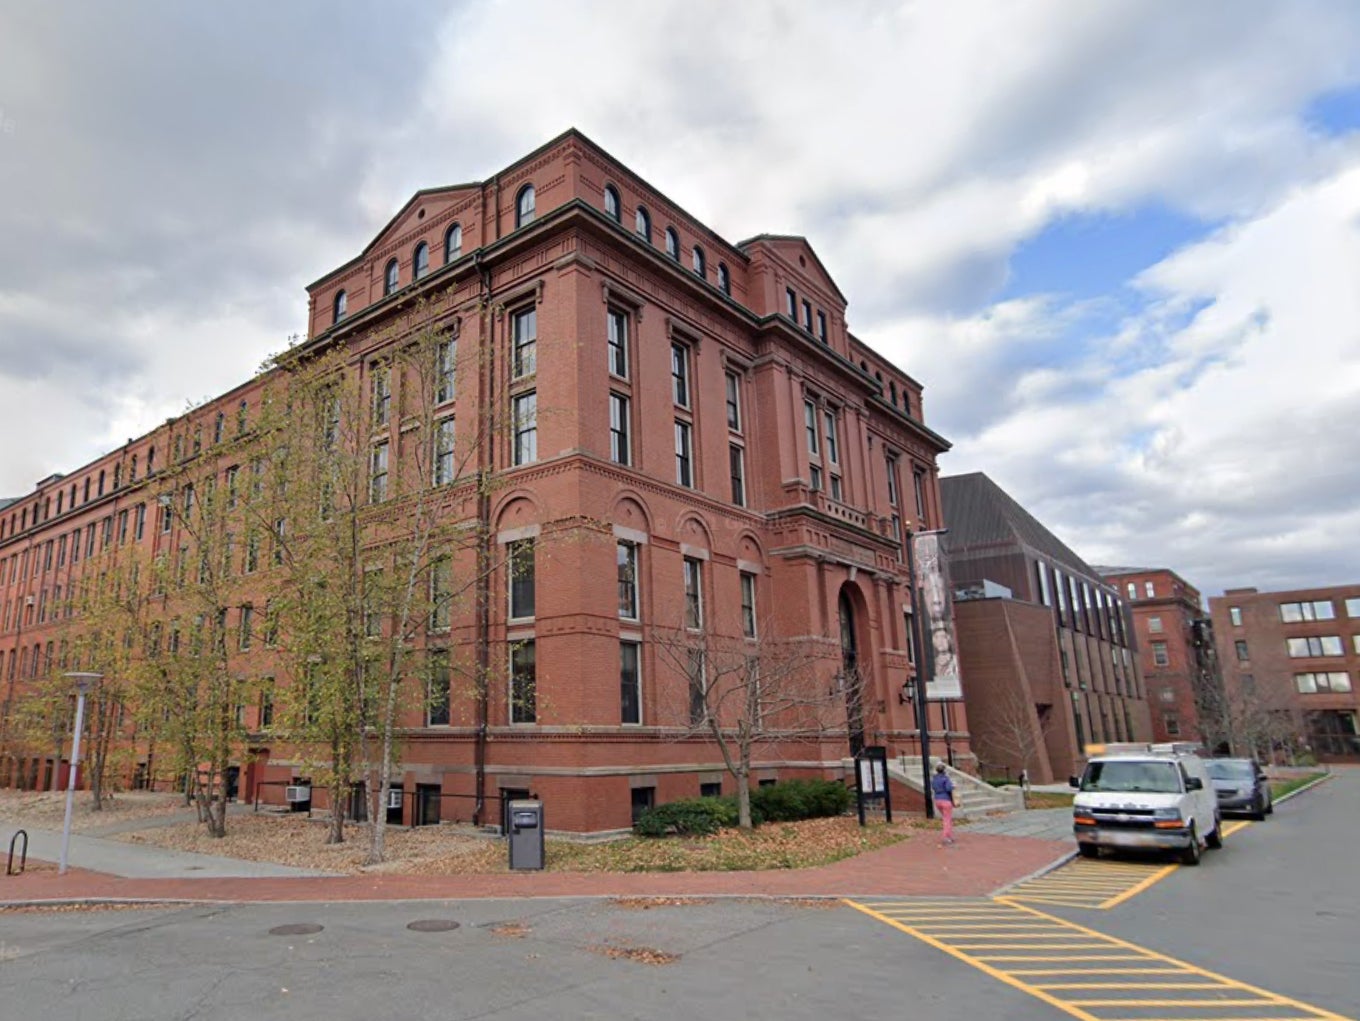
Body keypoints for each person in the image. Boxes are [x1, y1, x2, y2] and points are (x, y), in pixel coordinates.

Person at [931, 762, 956, 845]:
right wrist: (953, 786)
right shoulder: (946, 779)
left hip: (937, 800)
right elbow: (949, 788)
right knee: (947, 819)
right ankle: (946, 837)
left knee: (946, 818)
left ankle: (950, 835)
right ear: (944, 770)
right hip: (946, 800)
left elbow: (933, 787)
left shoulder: (934, 779)